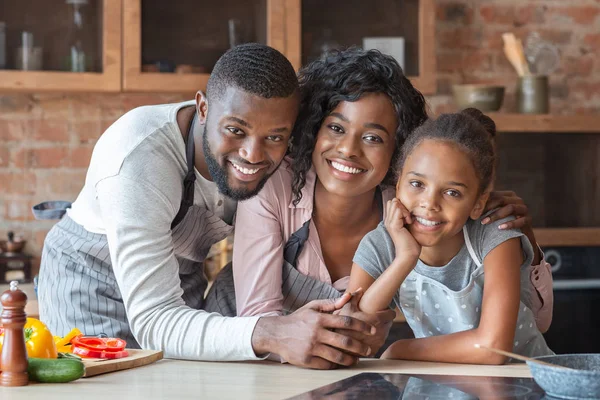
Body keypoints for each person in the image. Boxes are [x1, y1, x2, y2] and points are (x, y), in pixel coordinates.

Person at [36, 43, 378, 369]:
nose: (252, 155)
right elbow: (154, 320)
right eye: (235, 130)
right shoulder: (139, 160)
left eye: (274, 137)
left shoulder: (281, 153)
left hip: (179, 281)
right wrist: (272, 331)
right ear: (203, 108)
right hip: (91, 281)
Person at [227, 48, 551, 358]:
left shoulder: (412, 212)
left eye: (373, 138)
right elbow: (260, 324)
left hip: (331, 370)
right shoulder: (276, 186)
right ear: (313, 129)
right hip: (240, 348)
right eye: (336, 128)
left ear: (398, 153)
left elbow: (530, 323)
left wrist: (527, 245)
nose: (349, 150)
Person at [348, 109, 554, 363]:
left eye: (452, 192)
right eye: (417, 184)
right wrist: (405, 258)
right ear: (397, 182)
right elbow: (351, 333)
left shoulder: (495, 234)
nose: (429, 203)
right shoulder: (378, 245)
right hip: (443, 383)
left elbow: (494, 347)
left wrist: (400, 350)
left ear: (478, 203)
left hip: (523, 383)